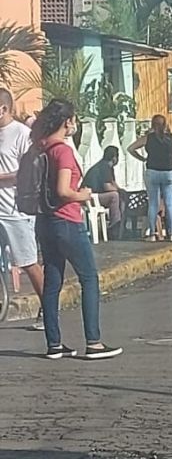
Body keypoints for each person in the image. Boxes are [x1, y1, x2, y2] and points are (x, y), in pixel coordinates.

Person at [31, 99, 122, 359]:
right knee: (89, 278)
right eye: (74, 119)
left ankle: (54, 344)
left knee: (52, 282)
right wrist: (82, 195)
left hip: (45, 221)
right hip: (67, 220)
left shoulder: (41, 147)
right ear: (67, 122)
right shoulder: (63, 151)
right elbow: (63, 191)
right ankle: (93, 342)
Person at [0, 88, 44, 330]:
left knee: (28, 262)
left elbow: (27, 173)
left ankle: (48, 310)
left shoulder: (22, 134)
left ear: (3, 109)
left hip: (15, 211)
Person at [128, 115, 172, 242]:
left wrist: (142, 159)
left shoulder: (148, 138)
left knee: (153, 204)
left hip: (152, 171)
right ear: (165, 124)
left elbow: (130, 148)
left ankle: (152, 233)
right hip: (169, 172)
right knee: (170, 203)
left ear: (152, 125)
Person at [82, 146, 127, 239]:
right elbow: (107, 187)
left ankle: (120, 226)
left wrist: (121, 190)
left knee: (120, 195)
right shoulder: (104, 166)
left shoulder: (108, 167)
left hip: (96, 196)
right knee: (114, 196)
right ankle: (114, 226)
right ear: (114, 157)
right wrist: (118, 191)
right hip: (90, 197)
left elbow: (113, 183)